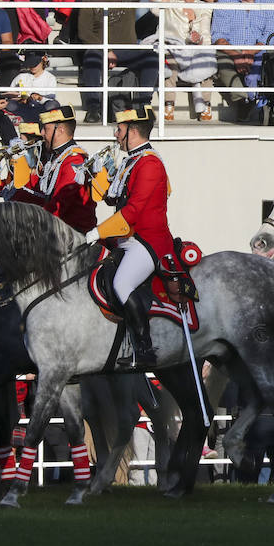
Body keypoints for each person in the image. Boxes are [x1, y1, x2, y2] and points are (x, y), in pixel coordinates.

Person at [88, 103, 175, 364]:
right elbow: (111, 198)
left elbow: (133, 211)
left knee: (121, 284)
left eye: (119, 129)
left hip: (147, 240)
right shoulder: (132, 160)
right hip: (127, 238)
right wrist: (96, 173)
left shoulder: (149, 164)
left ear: (133, 131)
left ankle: (144, 348)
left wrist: (97, 231)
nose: (116, 133)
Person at [70, 0, 154, 123]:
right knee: (91, 57)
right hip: (100, 50)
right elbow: (84, 31)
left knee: (151, 57)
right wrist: (107, 51)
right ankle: (94, 108)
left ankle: (143, 105)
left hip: (127, 50)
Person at [11, 104, 95, 231]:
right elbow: (36, 191)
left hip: (74, 234)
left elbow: (61, 202)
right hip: (58, 230)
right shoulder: (56, 158)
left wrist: (30, 220)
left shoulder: (74, 159)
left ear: (60, 129)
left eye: (46, 128)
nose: (42, 133)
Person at [211, 0, 274, 118]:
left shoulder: (270, 0)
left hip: (260, 48)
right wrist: (237, 55)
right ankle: (242, 101)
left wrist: (250, 52)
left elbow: (271, 34)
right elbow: (218, 36)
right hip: (232, 49)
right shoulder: (225, 0)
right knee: (223, 62)